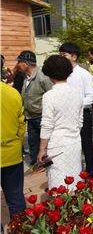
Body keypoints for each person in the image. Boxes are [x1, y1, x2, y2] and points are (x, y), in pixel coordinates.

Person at [38, 55, 83, 191]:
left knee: (59, 183)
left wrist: (41, 149)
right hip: (74, 141)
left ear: (49, 74)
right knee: (74, 180)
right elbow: (80, 120)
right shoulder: (77, 92)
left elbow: (47, 124)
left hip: (56, 144)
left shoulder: (49, 96)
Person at [60, 42, 93, 177]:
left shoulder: (84, 74)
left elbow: (90, 97)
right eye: (60, 54)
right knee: (70, 145)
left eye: (64, 54)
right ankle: (72, 172)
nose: (61, 57)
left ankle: (89, 174)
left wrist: (75, 105)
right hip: (66, 116)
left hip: (82, 114)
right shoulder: (62, 74)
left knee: (86, 145)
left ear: (74, 57)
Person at [17, 50, 53, 165]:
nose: (18, 65)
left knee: (46, 142)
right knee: (33, 142)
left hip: (41, 116)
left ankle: (46, 164)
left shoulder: (43, 77)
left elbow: (52, 94)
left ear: (26, 63)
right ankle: (36, 164)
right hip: (30, 116)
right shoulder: (26, 76)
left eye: (19, 62)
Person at [1, 81, 27, 219]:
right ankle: (20, 233)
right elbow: (21, 122)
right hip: (12, 154)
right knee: (15, 196)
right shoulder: (13, 92)